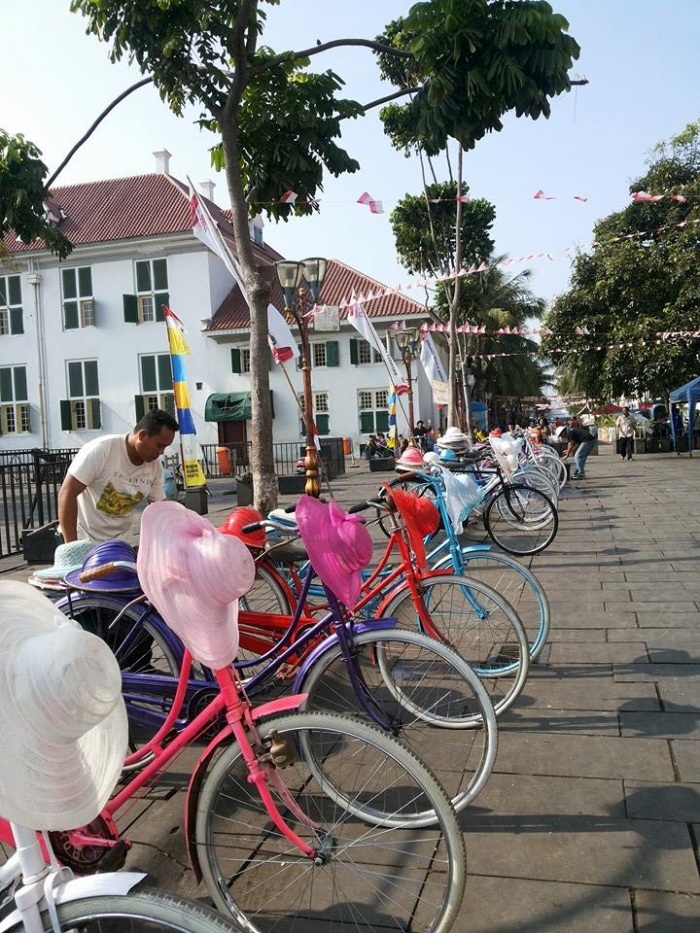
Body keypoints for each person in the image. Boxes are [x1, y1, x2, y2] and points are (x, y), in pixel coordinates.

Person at [58, 409, 179, 543]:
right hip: (85, 541)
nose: (161, 452)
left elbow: (160, 509)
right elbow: (67, 493)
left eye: (165, 447)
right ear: (142, 435)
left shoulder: (155, 467)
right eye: (159, 445)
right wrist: (72, 547)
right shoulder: (101, 450)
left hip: (122, 544)